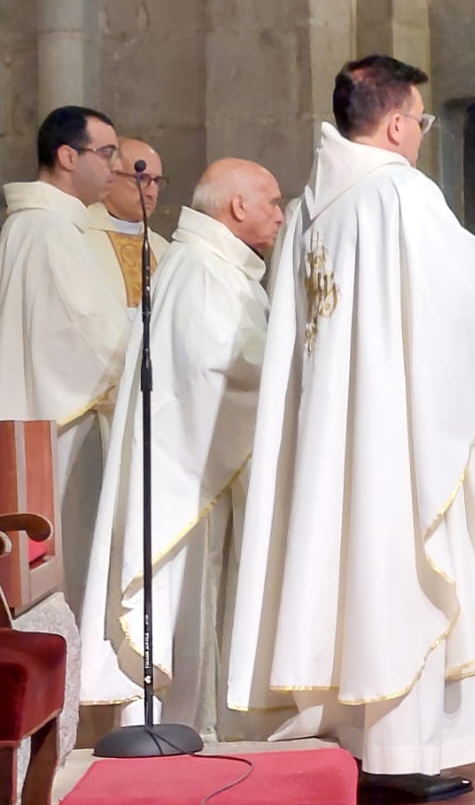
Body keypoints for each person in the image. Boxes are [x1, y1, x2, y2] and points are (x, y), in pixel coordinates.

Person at [227, 56, 475, 801]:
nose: (421, 135)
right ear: (396, 123)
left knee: (349, 575)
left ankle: (359, 750)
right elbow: (465, 298)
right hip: (395, 434)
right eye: (420, 121)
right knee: (400, 576)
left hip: (333, 433)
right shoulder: (400, 193)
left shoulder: (307, 207)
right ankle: (403, 754)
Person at [78, 160, 286, 738]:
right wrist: (295, 366)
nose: (279, 212)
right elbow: (211, 365)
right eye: (271, 200)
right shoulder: (199, 268)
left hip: (201, 468)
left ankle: (205, 722)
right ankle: (182, 722)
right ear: (236, 207)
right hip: (185, 476)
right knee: (185, 600)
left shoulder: (219, 266)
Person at [0, 106, 132, 605]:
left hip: (46, 422)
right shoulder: (45, 231)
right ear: (66, 156)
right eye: (106, 153)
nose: (116, 167)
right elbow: (88, 338)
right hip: (57, 431)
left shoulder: (43, 227)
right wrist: (144, 360)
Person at [83, 136, 167, 309]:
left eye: (157, 181)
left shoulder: (162, 250)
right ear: (110, 176)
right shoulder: (81, 238)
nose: (152, 192)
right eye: (141, 179)